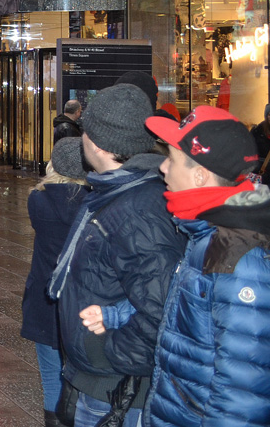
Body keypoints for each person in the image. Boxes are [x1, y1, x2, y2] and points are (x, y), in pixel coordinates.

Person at [47, 84, 185, 427]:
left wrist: (111, 352)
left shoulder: (137, 208)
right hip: (97, 378)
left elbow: (162, 307)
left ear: (95, 142)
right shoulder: (117, 192)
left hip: (115, 388)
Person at [133, 106, 270, 427]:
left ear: (200, 175)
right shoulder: (209, 230)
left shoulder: (235, 252)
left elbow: (242, 389)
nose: (162, 168)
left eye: (172, 159)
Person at [22, 138, 90, 425]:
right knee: (84, 377)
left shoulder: (37, 199)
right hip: (83, 300)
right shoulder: (94, 201)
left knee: (51, 378)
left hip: (44, 297)